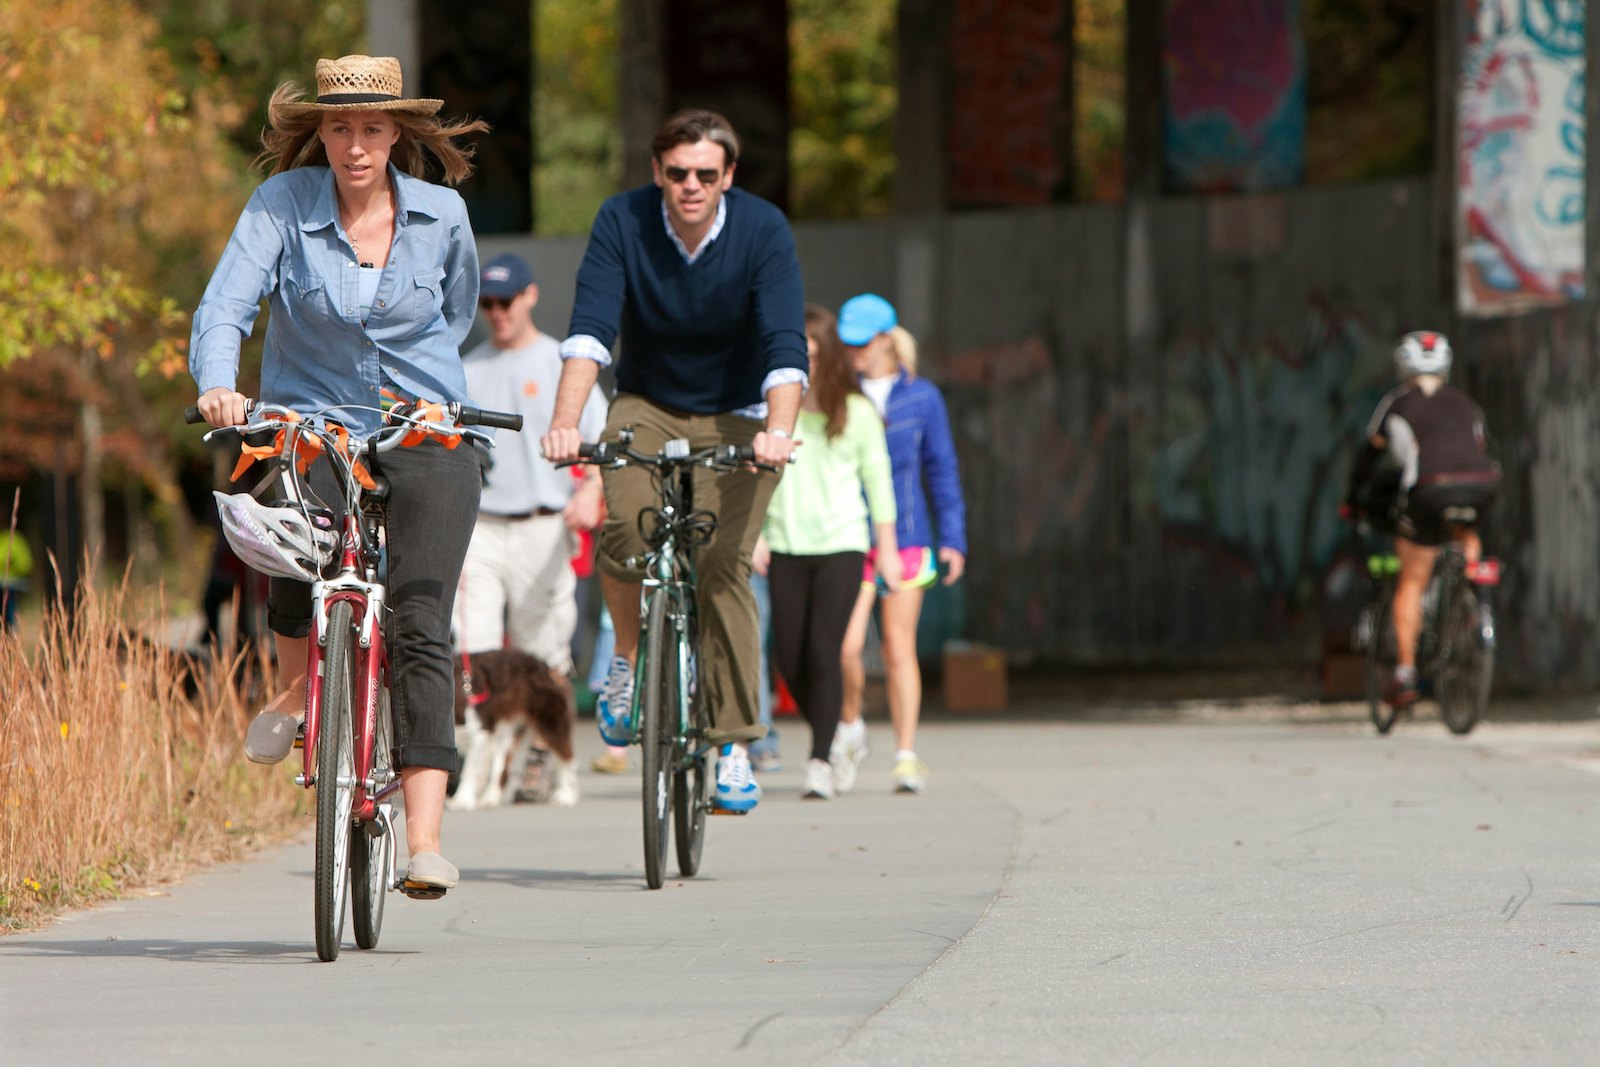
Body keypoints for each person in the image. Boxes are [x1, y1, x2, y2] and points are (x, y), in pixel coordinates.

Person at [190, 54, 489, 897]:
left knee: (423, 617)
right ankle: (295, 692)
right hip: (310, 421)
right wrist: (220, 380)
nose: (354, 145)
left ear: (397, 131)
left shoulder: (443, 215)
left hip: (419, 424)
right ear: (317, 132)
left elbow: (455, 313)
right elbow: (226, 305)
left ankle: (425, 840)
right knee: (285, 527)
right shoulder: (280, 205)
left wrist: (432, 395)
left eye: (370, 128)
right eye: (338, 128)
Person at [540, 108, 805, 815]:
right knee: (626, 530)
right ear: (658, 172)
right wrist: (567, 423)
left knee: (723, 564)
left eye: (706, 175)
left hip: (741, 410)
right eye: (678, 173)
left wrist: (776, 431)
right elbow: (590, 332)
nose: (692, 185)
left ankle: (735, 745)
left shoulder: (762, 229)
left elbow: (785, 345)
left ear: (729, 177)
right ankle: (626, 659)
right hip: (646, 402)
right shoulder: (623, 220)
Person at [453, 252, 606, 802]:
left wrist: (592, 488)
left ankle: (543, 751)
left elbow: (599, 441)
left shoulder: (560, 363)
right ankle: (481, 767)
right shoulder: (467, 368)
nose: (497, 313)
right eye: (487, 303)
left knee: (544, 652)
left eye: (506, 300)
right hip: (482, 526)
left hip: (544, 523)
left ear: (531, 296)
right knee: (475, 649)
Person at [758, 304, 899, 799]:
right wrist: (756, 533)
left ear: (830, 358)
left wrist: (886, 549)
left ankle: (820, 758)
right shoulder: (775, 413)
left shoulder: (856, 412)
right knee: (788, 656)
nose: (807, 365)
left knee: (826, 649)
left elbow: (878, 483)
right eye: (799, 355)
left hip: (842, 543)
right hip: (786, 544)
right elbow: (757, 479)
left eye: (815, 356)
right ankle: (839, 729)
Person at [834, 296, 966, 794]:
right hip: (849, 537)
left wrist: (953, 539)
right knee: (846, 648)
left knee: (896, 648)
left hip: (908, 538)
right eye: (845, 344)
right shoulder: (838, 396)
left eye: (861, 342)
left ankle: (907, 756)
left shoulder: (923, 397)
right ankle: (851, 727)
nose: (852, 353)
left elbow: (942, 468)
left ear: (887, 340)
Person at [1346, 331, 1500, 708]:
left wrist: (1352, 496)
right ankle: (1472, 586)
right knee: (1465, 528)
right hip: (1482, 485)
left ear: (1403, 365)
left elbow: (1371, 454)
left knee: (1412, 579)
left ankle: (1404, 673)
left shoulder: (1397, 403)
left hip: (1429, 488)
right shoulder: (1467, 403)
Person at [1, 527, 32, 634]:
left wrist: (11, 563)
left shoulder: (14, 539)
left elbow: (26, 563)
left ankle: (12, 631)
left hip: (12, 584)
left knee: (10, 606)